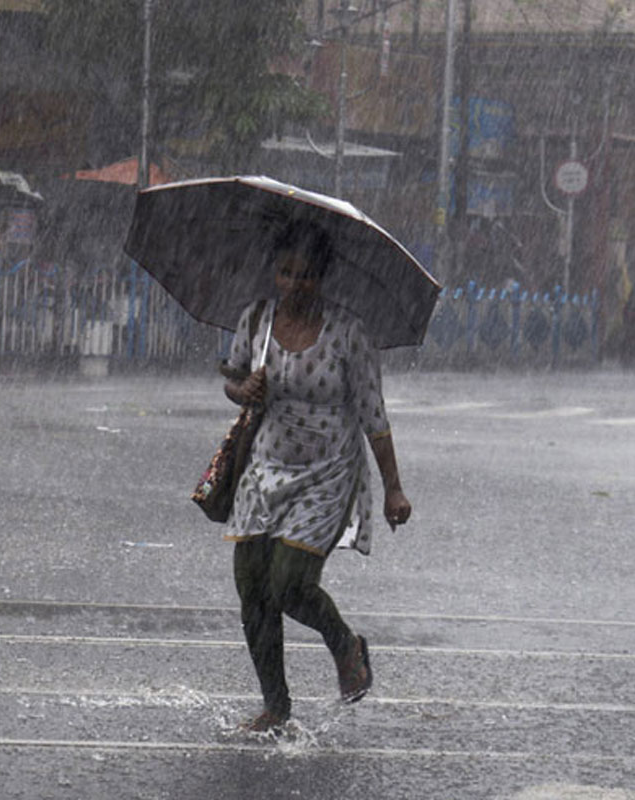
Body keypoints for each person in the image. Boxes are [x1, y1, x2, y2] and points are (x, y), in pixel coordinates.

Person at [221, 219, 412, 734]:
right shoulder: (256, 321)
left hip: (328, 472)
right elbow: (232, 377)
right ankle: (275, 706)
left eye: (305, 275)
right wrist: (245, 391)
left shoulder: (349, 333)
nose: (293, 284)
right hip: (266, 464)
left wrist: (393, 485)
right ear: (274, 273)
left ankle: (345, 644)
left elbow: (374, 413)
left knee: (290, 583)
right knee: (252, 586)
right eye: (285, 273)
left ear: (323, 277)